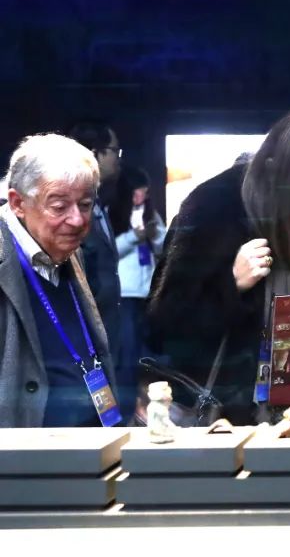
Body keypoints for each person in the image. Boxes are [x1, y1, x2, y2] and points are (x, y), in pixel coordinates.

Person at [147, 107, 290, 424]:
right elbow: (165, 328)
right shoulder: (217, 206)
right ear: (275, 175)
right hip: (229, 421)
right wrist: (231, 285)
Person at [0, 134, 121, 427]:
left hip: (91, 438)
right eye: (59, 206)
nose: (77, 220)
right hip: (28, 448)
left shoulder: (67, 247)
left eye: (85, 204)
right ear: (18, 203)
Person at [66, 122, 123, 375]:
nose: (118, 158)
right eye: (114, 151)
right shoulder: (72, 207)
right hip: (86, 331)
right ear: (94, 153)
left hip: (107, 325)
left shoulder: (98, 202)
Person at [108, 165, 166, 399]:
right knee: (127, 351)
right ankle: (125, 400)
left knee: (146, 351)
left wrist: (154, 234)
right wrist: (134, 237)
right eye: (137, 191)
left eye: (145, 191)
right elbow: (110, 250)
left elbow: (163, 246)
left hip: (147, 292)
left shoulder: (151, 214)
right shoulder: (112, 214)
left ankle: (143, 399)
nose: (141, 196)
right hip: (124, 292)